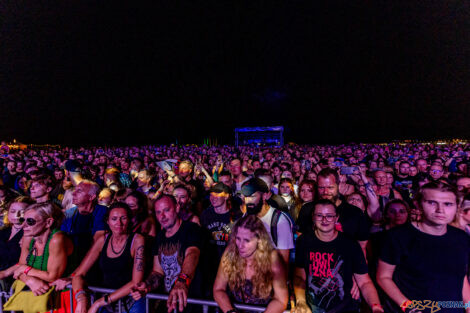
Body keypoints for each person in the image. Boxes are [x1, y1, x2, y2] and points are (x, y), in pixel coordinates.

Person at [377, 182, 470, 312]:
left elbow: (460, 276)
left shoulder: (461, 237)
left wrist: (468, 307)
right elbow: (383, 277)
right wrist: (408, 307)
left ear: (457, 207)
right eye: (432, 203)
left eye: (448, 204)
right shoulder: (398, 236)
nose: (440, 210)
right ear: (418, 204)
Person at [293, 200, 384, 313]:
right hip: (313, 309)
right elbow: (299, 277)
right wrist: (300, 301)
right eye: (319, 215)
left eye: (329, 216)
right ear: (313, 217)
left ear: (337, 218)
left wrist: (376, 306)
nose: (324, 220)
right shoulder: (304, 241)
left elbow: (364, 282)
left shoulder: (350, 244)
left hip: (346, 309)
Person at [63, 203, 146, 313]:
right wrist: (81, 298)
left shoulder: (137, 240)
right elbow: (79, 273)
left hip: (131, 301)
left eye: (123, 218)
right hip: (108, 303)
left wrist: (100, 302)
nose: (119, 223)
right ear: (108, 221)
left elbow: (136, 281)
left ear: (129, 220)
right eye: (114, 219)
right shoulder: (103, 240)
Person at [131, 195, 202, 313]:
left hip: (193, 304)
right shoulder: (159, 237)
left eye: (166, 210)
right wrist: (146, 285)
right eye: (158, 212)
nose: (162, 216)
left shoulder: (191, 229)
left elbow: (192, 254)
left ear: (177, 208)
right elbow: (158, 272)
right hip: (170, 304)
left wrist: (182, 280)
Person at [1, 202, 73, 312]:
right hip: (38, 295)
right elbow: (20, 267)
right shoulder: (28, 237)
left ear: (48, 222)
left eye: (30, 221)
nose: (23, 225)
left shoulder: (57, 239)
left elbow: (52, 276)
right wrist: (29, 280)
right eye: (22, 220)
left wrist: (24, 270)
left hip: (61, 298)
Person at [213, 214, 288, 312]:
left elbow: (281, 300)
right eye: (238, 238)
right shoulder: (230, 252)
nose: (240, 245)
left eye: (246, 241)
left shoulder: (272, 258)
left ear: (259, 240)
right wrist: (231, 311)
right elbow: (218, 289)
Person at [241, 178, 294, 266]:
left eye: (252, 196)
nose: (247, 201)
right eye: (245, 197)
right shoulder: (246, 216)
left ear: (264, 196)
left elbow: (284, 262)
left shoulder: (280, 221)